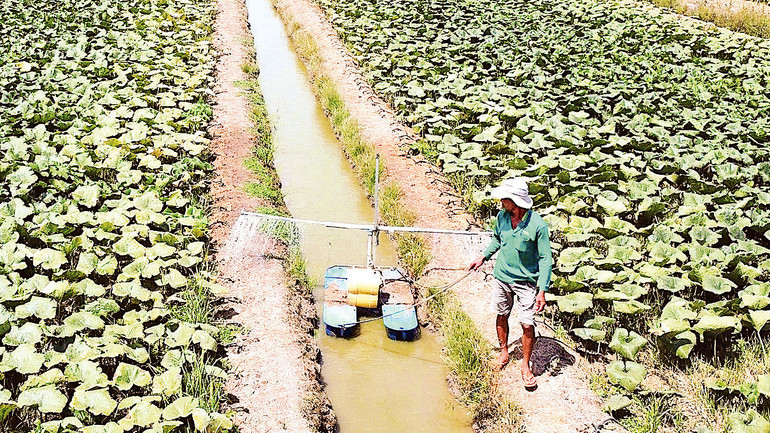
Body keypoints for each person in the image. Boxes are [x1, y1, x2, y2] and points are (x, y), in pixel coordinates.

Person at [468, 177, 553, 388]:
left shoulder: (537, 226)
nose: (501, 202)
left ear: (516, 201)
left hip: (526, 282)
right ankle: (504, 352)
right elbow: (498, 239)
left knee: (527, 323)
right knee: (502, 314)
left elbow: (545, 259)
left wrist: (542, 290)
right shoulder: (502, 217)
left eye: (505, 198)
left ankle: (525, 365)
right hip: (502, 277)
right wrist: (483, 257)